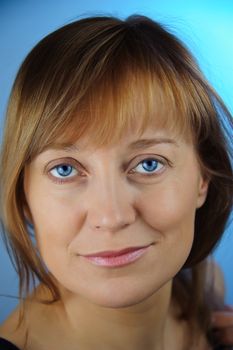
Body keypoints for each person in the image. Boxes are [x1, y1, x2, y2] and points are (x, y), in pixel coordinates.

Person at [0, 14, 232, 350]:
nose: (111, 216)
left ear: (203, 177)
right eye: (65, 169)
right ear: (24, 197)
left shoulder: (207, 286)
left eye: (149, 164)